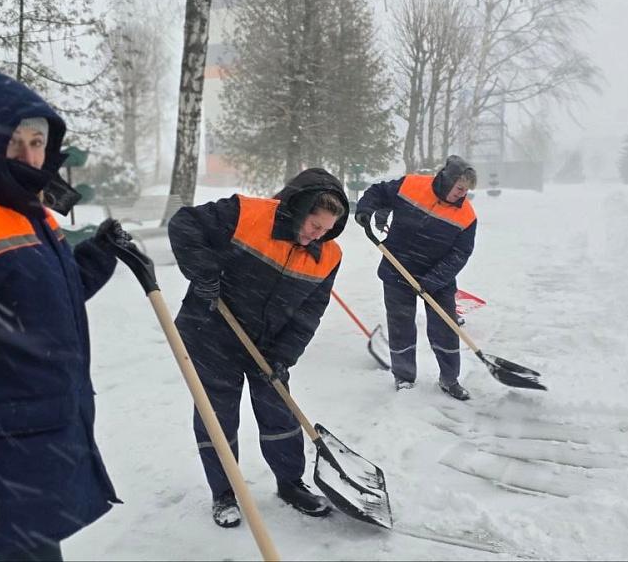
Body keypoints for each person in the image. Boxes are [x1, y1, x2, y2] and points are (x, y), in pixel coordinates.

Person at [0, 68, 130, 561]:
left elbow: (39, 306)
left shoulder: (20, 210)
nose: (31, 157)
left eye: (38, 142)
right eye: (14, 144)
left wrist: (96, 254)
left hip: (29, 451)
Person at [167, 168, 350, 529]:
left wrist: (283, 356)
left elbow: (310, 312)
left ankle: (290, 483)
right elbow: (184, 224)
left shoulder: (328, 255)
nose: (318, 235)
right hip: (212, 331)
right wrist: (204, 271)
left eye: (327, 230)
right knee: (217, 415)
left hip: (269, 344)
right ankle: (224, 493)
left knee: (279, 411)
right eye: (315, 225)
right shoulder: (245, 214)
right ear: (299, 208)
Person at [355, 155, 477, 400]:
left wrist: (433, 281)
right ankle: (404, 377)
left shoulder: (467, 215)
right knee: (401, 326)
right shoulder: (411, 185)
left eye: (466, 191)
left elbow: (461, 253)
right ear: (448, 180)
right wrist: (366, 211)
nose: (462, 195)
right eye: (460, 188)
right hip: (397, 269)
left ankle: (450, 379)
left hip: (438, 280)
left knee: (445, 328)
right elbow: (379, 192)